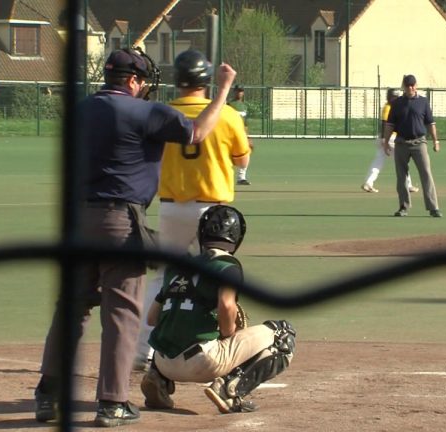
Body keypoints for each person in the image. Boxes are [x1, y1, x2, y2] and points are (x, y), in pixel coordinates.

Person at [33, 48, 236, 427]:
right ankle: (112, 403)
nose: (144, 87)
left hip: (76, 221)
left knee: (71, 310)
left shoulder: (81, 109)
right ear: (131, 81)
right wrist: (223, 88)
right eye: (141, 81)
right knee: (122, 313)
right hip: (121, 223)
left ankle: (47, 394)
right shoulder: (145, 111)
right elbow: (197, 133)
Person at [133, 49, 251, 373]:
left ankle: (145, 353)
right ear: (205, 79)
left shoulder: (163, 112)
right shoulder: (224, 114)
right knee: (213, 278)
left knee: (162, 278)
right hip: (213, 215)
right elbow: (243, 159)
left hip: (171, 209)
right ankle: (211, 346)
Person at [139, 205, 296, 414]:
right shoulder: (227, 265)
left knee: (173, 329)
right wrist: (228, 335)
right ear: (237, 237)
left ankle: (157, 379)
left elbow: (151, 319)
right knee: (282, 334)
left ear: (202, 234)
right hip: (202, 363)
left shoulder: (178, 267)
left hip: (161, 360)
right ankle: (229, 390)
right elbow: (226, 304)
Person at [383, 74, 442, 217]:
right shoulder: (397, 103)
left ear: (416, 85)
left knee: (426, 174)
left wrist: (436, 141)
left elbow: (430, 123)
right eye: (408, 85)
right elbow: (390, 125)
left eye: (413, 85)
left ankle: (433, 207)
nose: (411, 87)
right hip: (401, 142)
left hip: (419, 142)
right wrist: (386, 142)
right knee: (401, 176)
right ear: (404, 86)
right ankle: (404, 207)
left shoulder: (423, 102)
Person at [361, 88, 418, 194]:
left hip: (386, 138)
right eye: (393, 97)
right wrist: (384, 139)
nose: (394, 99)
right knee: (402, 161)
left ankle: (368, 183)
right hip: (390, 138)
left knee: (378, 161)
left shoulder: (393, 106)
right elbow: (385, 123)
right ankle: (408, 185)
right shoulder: (389, 107)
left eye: (395, 97)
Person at [228, 85, 253, 185]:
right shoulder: (229, 104)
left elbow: (245, 123)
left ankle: (241, 177)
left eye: (241, 91)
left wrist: (248, 137)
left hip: (241, 134)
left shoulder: (244, 106)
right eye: (238, 91)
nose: (239, 93)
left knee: (246, 153)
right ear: (234, 92)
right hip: (230, 133)